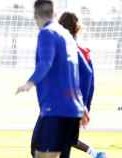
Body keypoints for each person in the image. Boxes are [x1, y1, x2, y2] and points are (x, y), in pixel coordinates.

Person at [15, 0, 90, 158]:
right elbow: (86, 73)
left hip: (55, 109)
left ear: (36, 15)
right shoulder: (67, 36)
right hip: (72, 110)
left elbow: (45, 62)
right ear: (54, 13)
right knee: (45, 152)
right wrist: (82, 104)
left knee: (41, 154)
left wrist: (30, 82)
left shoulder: (47, 32)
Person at [59, 11, 106, 158]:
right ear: (77, 29)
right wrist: (86, 107)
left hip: (63, 106)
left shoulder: (65, 51)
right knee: (66, 140)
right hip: (76, 105)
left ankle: (96, 153)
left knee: (57, 141)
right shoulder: (84, 52)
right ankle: (96, 153)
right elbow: (91, 84)